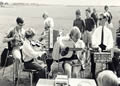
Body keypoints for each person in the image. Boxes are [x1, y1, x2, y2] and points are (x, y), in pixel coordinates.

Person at [3, 17, 25, 84]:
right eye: (20, 25)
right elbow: (4, 40)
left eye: (22, 25)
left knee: (34, 54)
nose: (21, 27)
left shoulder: (23, 31)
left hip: (23, 48)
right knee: (18, 58)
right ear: (17, 24)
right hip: (15, 48)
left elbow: (25, 40)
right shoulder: (12, 30)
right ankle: (16, 77)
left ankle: (33, 76)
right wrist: (12, 38)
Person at [91, 13, 114, 79]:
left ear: (105, 20)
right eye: (99, 19)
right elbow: (93, 40)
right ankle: (93, 76)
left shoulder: (109, 31)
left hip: (106, 49)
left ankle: (110, 76)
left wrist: (107, 48)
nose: (99, 21)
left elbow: (111, 42)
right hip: (97, 48)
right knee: (93, 57)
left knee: (110, 61)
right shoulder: (96, 30)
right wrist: (97, 47)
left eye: (100, 19)